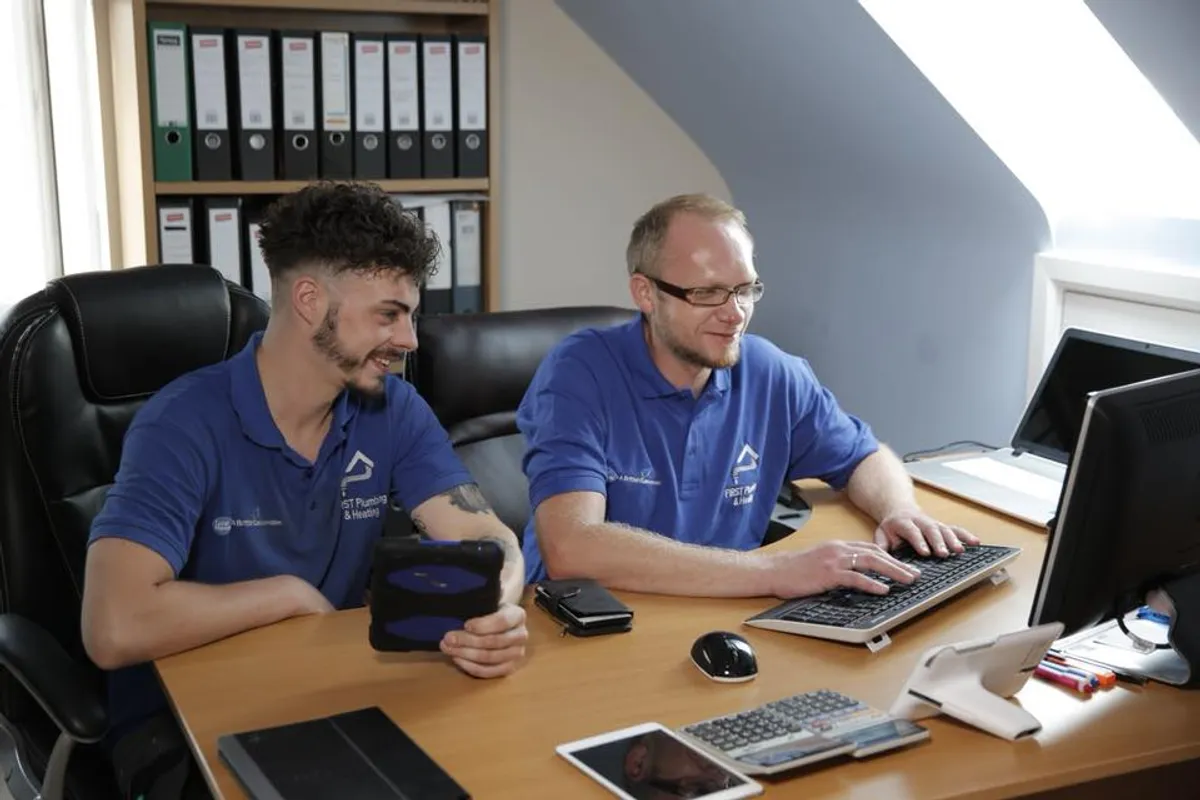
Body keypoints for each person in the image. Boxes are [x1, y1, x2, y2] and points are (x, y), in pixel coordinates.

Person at [81, 182, 527, 799]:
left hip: (331, 693)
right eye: (389, 314)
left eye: (411, 316)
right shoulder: (182, 423)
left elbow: (488, 536)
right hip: (181, 726)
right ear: (311, 301)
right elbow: (113, 627)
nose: (411, 341)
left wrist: (497, 605)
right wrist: (288, 595)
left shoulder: (393, 409)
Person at [516, 192, 979, 597]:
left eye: (745, 289)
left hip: (723, 609)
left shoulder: (769, 371)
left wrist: (899, 509)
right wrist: (774, 570)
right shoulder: (580, 372)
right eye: (708, 293)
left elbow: (863, 456)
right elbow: (571, 548)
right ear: (646, 293)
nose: (734, 314)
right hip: (590, 624)